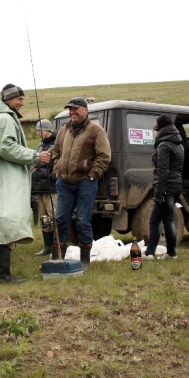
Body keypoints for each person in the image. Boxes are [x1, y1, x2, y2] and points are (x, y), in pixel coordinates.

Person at [0, 84, 51, 283]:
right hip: (4, 177)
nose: (22, 103)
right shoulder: (4, 118)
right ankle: (3, 275)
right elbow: (6, 147)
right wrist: (35, 156)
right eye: (19, 99)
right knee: (5, 221)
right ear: (8, 99)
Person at [51, 97, 111, 271]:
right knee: (60, 220)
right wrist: (58, 170)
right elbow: (56, 152)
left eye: (75, 109)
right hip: (64, 182)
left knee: (83, 221)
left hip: (85, 183)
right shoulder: (63, 130)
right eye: (70, 109)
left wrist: (92, 175)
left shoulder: (96, 131)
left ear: (86, 110)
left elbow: (104, 156)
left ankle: (85, 261)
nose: (72, 112)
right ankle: (57, 259)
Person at [145, 114, 184, 260]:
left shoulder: (164, 146)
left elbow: (162, 172)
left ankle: (171, 253)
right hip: (177, 184)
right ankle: (150, 252)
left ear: (160, 128)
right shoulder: (179, 144)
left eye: (156, 128)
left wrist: (159, 193)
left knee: (167, 220)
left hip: (166, 186)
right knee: (156, 219)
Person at [31, 119, 58, 257]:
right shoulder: (40, 146)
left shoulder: (55, 144)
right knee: (44, 217)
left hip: (51, 187)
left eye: (39, 130)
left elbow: (58, 162)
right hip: (39, 187)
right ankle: (47, 246)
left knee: (54, 215)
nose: (38, 133)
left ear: (47, 129)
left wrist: (52, 176)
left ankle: (58, 244)